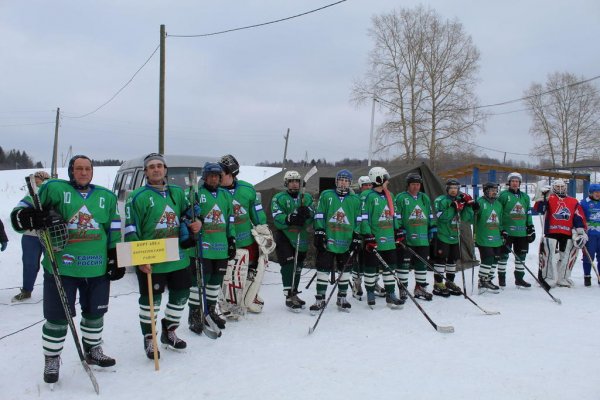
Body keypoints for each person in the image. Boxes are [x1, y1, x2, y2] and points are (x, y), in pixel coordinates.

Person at [10, 155, 122, 384]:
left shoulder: (106, 196)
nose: (83, 172)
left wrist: (115, 256)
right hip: (62, 268)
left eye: (87, 168)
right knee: (57, 318)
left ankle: (93, 351)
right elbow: (22, 209)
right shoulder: (54, 189)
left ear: (92, 171)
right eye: (78, 168)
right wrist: (27, 217)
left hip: (97, 270)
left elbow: (114, 226)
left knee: (95, 314)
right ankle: (52, 359)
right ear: (71, 171)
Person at [125, 153, 201, 359]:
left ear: (165, 169)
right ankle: (150, 339)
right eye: (152, 167)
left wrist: (197, 222)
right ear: (145, 172)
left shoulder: (177, 192)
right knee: (151, 301)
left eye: (160, 166)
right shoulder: (137, 197)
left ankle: (170, 331)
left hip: (178, 256)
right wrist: (139, 257)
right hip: (152, 257)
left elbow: (190, 213)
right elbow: (131, 229)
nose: (156, 169)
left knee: (181, 295)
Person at [219, 154, 272, 313]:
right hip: (224, 241)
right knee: (228, 274)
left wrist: (263, 230)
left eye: (222, 172)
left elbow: (257, 213)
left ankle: (248, 296)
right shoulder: (214, 191)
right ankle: (227, 301)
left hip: (246, 240)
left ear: (231, 173)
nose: (218, 175)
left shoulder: (247, 189)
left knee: (251, 270)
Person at [187, 162, 235, 331]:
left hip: (221, 246)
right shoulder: (196, 192)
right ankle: (195, 313)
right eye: (211, 175)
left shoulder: (225, 195)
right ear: (205, 177)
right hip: (203, 245)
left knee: (216, 281)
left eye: (217, 176)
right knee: (200, 281)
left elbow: (230, 218)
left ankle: (210, 311)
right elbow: (188, 213)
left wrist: (232, 239)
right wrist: (193, 214)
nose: (214, 178)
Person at [311, 169, 361, 313]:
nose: (343, 183)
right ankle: (320, 299)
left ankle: (342, 298)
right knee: (322, 269)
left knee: (345, 270)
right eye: (341, 180)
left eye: (346, 180)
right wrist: (319, 231)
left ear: (350, 183)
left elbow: (359, 219)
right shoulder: (326, 195)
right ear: (336, 181)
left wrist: (357, 236)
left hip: (346, 241)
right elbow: (319, 213)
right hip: (329, 238)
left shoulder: (355, 200)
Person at [360, 166, 403, 308]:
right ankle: (370, 292)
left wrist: (398, 230)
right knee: (371, 268)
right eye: (386, 178)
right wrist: (368, 235)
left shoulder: (389, 195)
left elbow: (394, 214)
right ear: (379, 179)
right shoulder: (368, 196)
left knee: (391, 267)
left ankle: (391, 294)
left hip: (389, 239)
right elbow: (364, 217)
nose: (388, 181)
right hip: (374, 240)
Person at [271, 170, 314, 312]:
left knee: (299, 265)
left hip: (300, 236)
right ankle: (288, 295)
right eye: (291, 181)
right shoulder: (279, 197)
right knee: (289, 263)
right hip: (285, 235)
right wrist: (291, 217)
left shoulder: (306, 197)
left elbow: (313, 214)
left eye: (297, 181)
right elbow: (277, 217)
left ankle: (294, 292)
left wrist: (307, 213)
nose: (294, 183)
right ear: (286, 183)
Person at [535, 179, 587, 287]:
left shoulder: (573, 201)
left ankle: (562, 278)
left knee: (566, 256)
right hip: (551, 231)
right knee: (548, 255)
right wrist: (542, 196)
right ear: (553, 187)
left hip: (566, 232)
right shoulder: (549, 198)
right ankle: (548, 278)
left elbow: (578, 216)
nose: (560, 189)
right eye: (557, 187)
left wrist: (580, 229)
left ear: (565, 188)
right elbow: (539, 209)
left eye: (562, 187)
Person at [394, 173, 434, 301]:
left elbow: (429, 214)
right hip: (407, 238)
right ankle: (403, 288)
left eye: (418, 184)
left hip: (423, 238)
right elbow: (397, 215)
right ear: (408, 185)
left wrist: (432, 228)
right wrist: (399, 229)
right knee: (404, 265)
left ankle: (419, 288)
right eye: (413, 184)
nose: (416, 187)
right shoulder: (401, 197)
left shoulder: (424, 198)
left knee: (422, 264)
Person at [431, 179, 474, 297]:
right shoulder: (441, 200)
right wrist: (453, 207)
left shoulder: (459, 200)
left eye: (456, 188)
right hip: (443, 235)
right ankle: (438, 283)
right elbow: (442, 217)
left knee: (453, 259)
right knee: (441, 259)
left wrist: (468, 206)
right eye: (451, 188)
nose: (454, 190)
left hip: (455, 235)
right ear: (447, 189)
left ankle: (450, 282)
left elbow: (466, 218)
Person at [12, 171, 51, 302]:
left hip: (47, 234)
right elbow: (20, 207)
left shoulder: (50, 191)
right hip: (30, 234)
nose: (35, 180)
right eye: (34, 178)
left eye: (38, 178)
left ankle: (52, 291)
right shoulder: (30, 193)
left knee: (50, 264)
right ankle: (27, 290)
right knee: (29, 264)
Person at [497, 172, 533, 288]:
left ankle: (519, 279)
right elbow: (498, 212)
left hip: (522, 232)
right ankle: (501, 279)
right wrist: (501, 229)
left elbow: (528, 213)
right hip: (508, 232)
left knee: (521, 256)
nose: (515, 183)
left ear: (520, 183)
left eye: (517, 181)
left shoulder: (525, 197)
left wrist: (530, 227)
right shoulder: (503, 195)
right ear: (509, 182)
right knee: (504, 256)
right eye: (512, 181)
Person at [473, 182, 504, 293]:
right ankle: (482, 280)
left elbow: (499, 220)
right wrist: (474, 210)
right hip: (483, 236)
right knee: (488, 258)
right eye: (492, 190)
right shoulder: (480, 202)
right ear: (486, 191)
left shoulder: (498, 204)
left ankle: (488, 279)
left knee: (495, 258)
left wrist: (502, 231)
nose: (494, 192)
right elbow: (472, 219)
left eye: (496, 190)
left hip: (496, 237)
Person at [580, 183, 600, 286]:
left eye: (599, 192)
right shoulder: (584, 203)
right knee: (588, 256)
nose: (598, 194)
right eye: (596, 192)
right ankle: (587, 276)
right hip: (590, 234)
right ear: (591, 193)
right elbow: (579, 218)